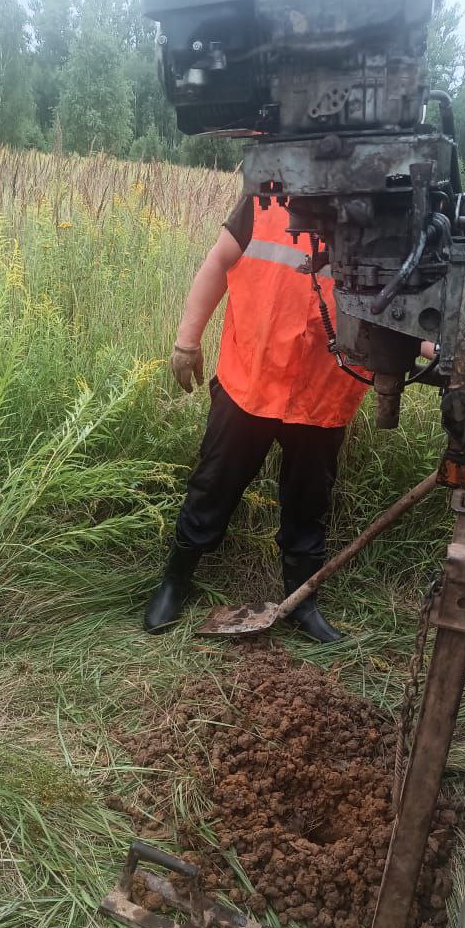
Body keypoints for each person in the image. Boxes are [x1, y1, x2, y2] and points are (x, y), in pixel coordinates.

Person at [144, 194, 369, 643]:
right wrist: (187, 340)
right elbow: (218, 261)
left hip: (322, 393)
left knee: (309, 502)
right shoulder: (265, 198)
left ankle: (301, 601)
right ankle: (176, 579)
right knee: (213, 485)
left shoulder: (381, 214)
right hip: (249, 381)